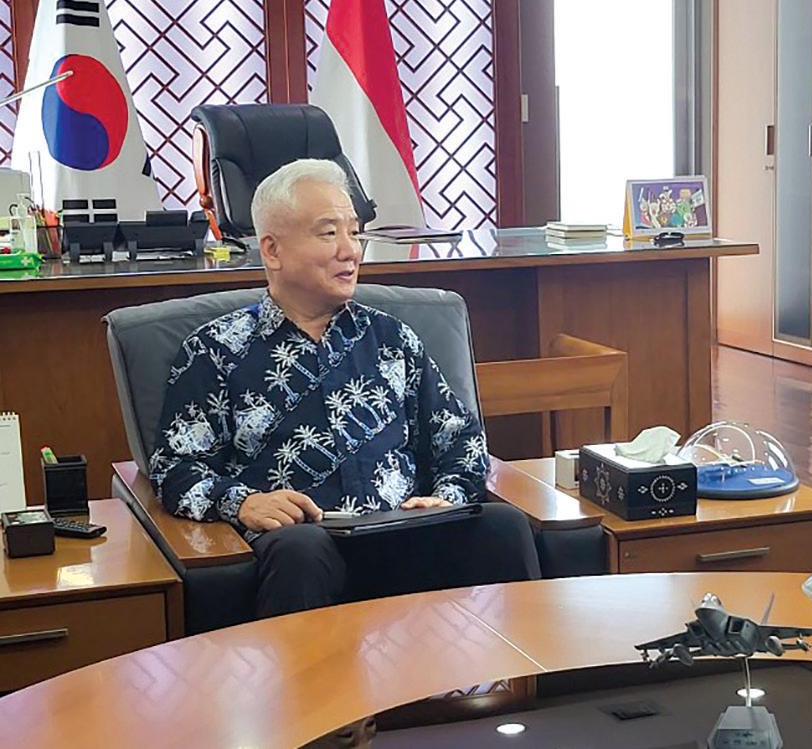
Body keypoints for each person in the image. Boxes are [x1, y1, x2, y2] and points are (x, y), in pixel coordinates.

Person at [149, 159, 538, 618]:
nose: (350, 250)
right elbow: (174, 469)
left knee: (504, 527)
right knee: (301, 552)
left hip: (404, 531)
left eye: (354, 232)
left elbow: (461, 440)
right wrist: (245, 503)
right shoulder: (216, 349)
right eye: (329, 233)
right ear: (272, 250)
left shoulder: (393, 339)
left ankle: (532, 666)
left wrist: (447, 497)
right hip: (303, 542)